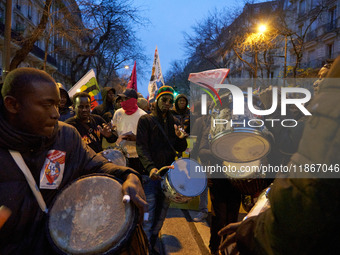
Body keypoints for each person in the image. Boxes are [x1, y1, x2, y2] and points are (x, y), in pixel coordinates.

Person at [0, 67, 147, 254]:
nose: (55, 114)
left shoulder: (66, 136)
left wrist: (128, 175)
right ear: (13, 105)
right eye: (46, 105)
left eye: (56, 105)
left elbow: (98, 164)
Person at [218, 56, 340, 255]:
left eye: (325, 77)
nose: (317, 82)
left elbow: (304, 196)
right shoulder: (312, 110)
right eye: (318, 77)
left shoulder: (325, 116)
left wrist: (254, 231)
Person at [136, 85, 188, 254]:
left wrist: (181, 139)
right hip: (150, 177)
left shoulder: (174, 121)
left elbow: (179, 148)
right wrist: (150, 168)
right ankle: (144, 248)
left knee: (161, 215)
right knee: (148, 218)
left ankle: (151, 244)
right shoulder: (146, 120)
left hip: (167, 176)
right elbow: (141, 147)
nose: (167, 103)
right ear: (157, 100)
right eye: (164, 100)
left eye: (170, 101)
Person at [111, 88, 147, 174]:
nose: (123, 101)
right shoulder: (118, 113)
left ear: (134, 100)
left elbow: (148, 138)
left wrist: (136, 138)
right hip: (120, 155)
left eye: (126, 99)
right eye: (122, 99)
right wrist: (110, 133)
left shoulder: (143, 116)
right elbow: (115, 131)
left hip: (137, 157)